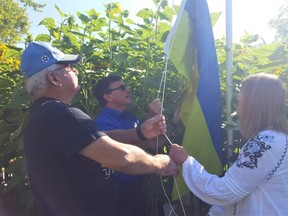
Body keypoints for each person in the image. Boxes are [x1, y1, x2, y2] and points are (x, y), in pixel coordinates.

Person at [20, 41, 179, 216]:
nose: (75, 70)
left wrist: (140, 132)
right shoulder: (63, 114)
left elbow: (94, 139)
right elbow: (123, 157)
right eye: (68, 67)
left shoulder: (43, 114)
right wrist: (159, 162)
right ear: (54, 78)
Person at [170, 73, 288, 215]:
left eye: (243, 93)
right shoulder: (276, 138)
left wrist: (186, 161)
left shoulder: (265, 142)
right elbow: (245, 192)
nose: (238, 97)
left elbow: (225, 192)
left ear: (256, 101)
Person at [93, 75, 168, 216]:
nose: (128, 89)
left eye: (126, 86)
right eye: (122, 88)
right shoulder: (103, 122)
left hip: (137, 188)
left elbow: (150, 145)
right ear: (107, 96)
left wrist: (173, 122)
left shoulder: (130, 118)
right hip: (118, 191)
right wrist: (149, 121)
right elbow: (125, 152)